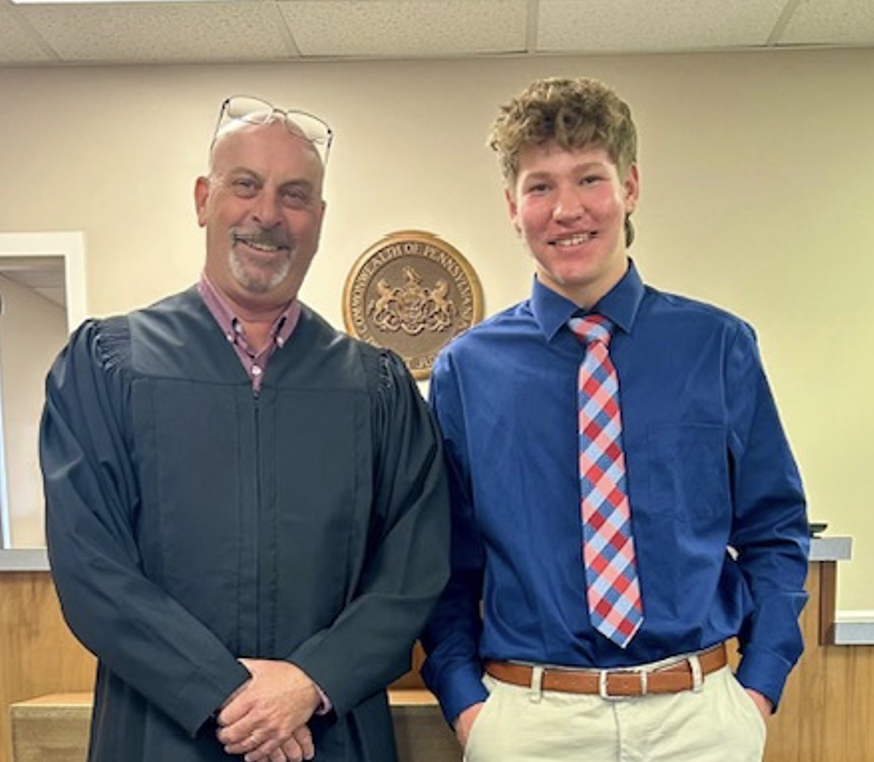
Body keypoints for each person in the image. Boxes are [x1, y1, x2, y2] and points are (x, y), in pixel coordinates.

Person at [40, 95, 450, 762]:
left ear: (318, 218)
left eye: (294, 194)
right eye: (245, 185)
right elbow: (92, 565)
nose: (267, 214)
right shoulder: (107, 365)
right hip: (163, 734)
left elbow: (413, 567)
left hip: (326, 733)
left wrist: (309, 683)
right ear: (204, 199)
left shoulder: (375, 387)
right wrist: (225, 693)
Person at [421, 77, 809, 762]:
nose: (566, 209)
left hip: (701, 720)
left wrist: (758, 689)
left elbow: (774, 531)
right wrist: (467, 706)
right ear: (513, 207)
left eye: (588, 179)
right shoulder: (466, 369)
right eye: (540, 186)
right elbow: (443, 562)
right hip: (531, 723)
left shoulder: (717, 346)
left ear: (629, 188)